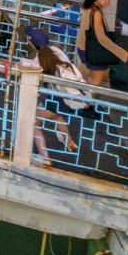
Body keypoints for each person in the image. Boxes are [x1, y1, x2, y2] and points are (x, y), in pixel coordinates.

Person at [23, 26, 81, 163]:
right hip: (68, 97)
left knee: (32, 122)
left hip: (57, 98)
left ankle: (44, 157)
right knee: (56, 116)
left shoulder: (39, 61)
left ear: (31, 43)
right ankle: (69, 142)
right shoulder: (56, 50)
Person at [78, 0, 127, 86]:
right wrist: (120, 53)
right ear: (94, 1)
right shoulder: (96, 13)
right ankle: (87, 100)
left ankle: (85, 96)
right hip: (92, 51)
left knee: (93, 77)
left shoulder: (86, 8)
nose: (107, 0)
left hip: (83, 47)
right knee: (96, 82)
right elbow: (101, 37)